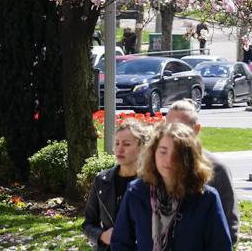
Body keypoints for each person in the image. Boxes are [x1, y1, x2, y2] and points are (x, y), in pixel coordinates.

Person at [111, 123, 232, 251]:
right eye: (163, 151)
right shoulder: (136, 192)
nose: (169, 160)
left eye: (177, 153)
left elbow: (220, 246)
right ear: (153, 153)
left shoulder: (207, 198)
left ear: (189, 158)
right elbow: (120, 242)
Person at [165, 99, 239, 244]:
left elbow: (229, 226)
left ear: (197, 129)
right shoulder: (154, 166)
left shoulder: (217, 169)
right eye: (169, 127)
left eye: (181, 127)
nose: (174, 134)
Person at [82, 120, 152, 251]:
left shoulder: (151, 183)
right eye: (117, 143)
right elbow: (88, 224)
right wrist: (102, 235)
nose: (119, 149)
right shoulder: (101, 180)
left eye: (126, 144)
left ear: (143, 147)